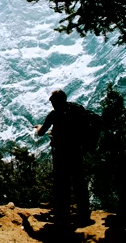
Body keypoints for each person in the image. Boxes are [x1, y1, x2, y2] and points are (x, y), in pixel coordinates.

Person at [34, 89, 91, 228]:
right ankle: (84, 213)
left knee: (62, 183)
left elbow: (41, 133)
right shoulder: (77, 109)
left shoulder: (54, 115)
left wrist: (38, 128)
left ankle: (62, 215)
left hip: (61, 153)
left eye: (52, 101)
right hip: (77, 151)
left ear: (56, 102)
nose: (51, 104)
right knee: (79, 181)